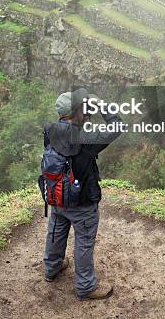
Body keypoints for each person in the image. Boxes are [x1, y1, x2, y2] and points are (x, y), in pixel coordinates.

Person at [43, 88, 123, 300]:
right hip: (82, 202)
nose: (86, 111)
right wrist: (102, 105)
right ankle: (86, 287)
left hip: (57, 196)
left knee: (56, 230)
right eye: (82, 108)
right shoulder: (85, 138)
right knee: (84, 241)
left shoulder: (50, 131)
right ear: (72, 112)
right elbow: (117, 126)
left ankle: (52, 268)